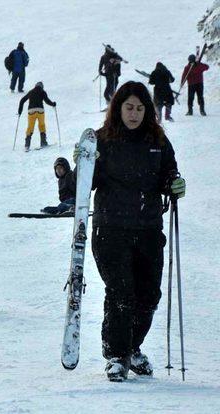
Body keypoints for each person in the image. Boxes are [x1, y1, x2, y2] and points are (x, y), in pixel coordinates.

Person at [77, 81, 185, 382]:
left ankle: (132, 346)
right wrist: (82, 165)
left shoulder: (158, 141)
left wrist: (174, 185)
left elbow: (169, 174)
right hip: (110, 228)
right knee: (121, 292)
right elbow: (81, 186)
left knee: (149, 295)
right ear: (118, 109)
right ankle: (117, 355)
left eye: (139, 108)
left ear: (146, 110)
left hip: (149, 228)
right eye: (129, 107)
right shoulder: (103, 140)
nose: (134, 113)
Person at [18, 81, 56, 151]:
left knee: (30, 127)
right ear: (42, 87)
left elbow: (22, 100)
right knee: (42, 125)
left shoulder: (31, 92)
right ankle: (43, 142)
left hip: (31, 111)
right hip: (40, 110)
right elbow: (47, 101)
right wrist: (53, 104)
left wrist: (20, 111)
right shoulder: (43, 92)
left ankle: (27, 145)